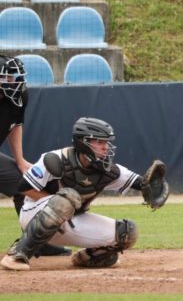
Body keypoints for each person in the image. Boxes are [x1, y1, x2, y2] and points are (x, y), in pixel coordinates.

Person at [0, 117, 166, 271]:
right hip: (33, 216)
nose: (106, 147)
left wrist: (155, 187)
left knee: (127, 232)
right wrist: (57, 205)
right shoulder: (55, 160)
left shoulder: (109, 170)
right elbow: (24, 187)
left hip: (70, 223)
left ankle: (88, 258)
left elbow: (142, 183)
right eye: (99, 141)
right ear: (83, 142)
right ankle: (17, 254)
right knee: (66, 199)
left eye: (107, 142)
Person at [0, 55, 71, 257]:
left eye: (16, 77)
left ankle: (34, 241)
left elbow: (15, 125)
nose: (15, 82)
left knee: (25, 184)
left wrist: (21, 161)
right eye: (7, 78)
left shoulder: (19, 95)